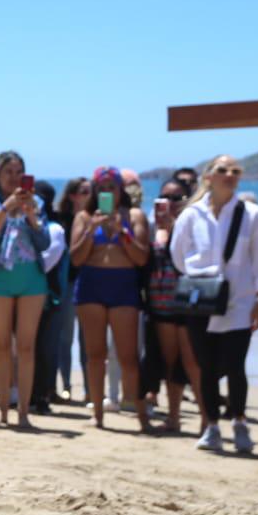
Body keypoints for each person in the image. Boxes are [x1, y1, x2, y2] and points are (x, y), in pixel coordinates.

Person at [171, 157, 258, 453]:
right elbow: (179, 256)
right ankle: (212, 425)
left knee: (235, 364)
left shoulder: (252, 214)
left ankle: (239, 421)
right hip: (201, 299)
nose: (230, 175)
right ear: (208, 177)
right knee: (205, 366)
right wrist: (201, 273)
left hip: (239, 300)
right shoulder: (192, 215)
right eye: (223, 170)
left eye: (235, 171)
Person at [70, 167, 151, 430]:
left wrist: (122, 231)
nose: (107, 192)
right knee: (95, 355)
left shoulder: (134, 215)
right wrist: (90, 231)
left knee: (128, 356)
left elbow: (141, 257)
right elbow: (76, 258)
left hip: (123, 284)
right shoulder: (84, 217)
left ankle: (140, 413)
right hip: (92, 284)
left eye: (112, 188)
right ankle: (97, 414)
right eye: (101, 188)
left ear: (120, 190)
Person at [0, 151, 49, 428]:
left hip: (31, 279)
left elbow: (44, 242)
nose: (14, 178)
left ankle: (24, 412)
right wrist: (6, 208)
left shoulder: (37, 201)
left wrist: (31, 215)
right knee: (2, 345)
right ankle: (4, 410)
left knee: (26, 347)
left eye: (19, 172)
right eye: (9, 172)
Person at [142, 180, 204, 431]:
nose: (171, 202)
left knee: (192, 362)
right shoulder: (153, 227)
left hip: (189, 301)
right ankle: (174, 417)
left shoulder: (195, 223)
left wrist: (174, 228)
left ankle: (206, 418)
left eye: (177, 197)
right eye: (165, 197)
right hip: (160, 302)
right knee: (170, 362)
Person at [29, 180, 70, 417]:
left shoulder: (55, 229)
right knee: (27, 347)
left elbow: (45, 263)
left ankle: (43, 395)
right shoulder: (24, 226)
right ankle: (27, 393)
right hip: (25, 294)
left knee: (46, 348)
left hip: (49, 298)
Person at [52, 177, 92, 402]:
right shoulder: (61, 220)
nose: (87, 195)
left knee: (88, 339)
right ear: (72, 195)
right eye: (83, 191)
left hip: (88, 282)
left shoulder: (95, 218)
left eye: (90, 191)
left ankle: (89, 389)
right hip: (66, 283)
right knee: (64, 338)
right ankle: (66, 385)